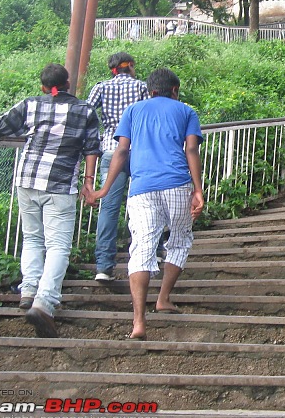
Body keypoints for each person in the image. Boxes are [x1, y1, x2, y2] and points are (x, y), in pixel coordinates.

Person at [87, 68, 204, 341]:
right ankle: (163, 299)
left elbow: (121, 150)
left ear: (150, 90)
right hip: (177, 184)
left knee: (141, 247)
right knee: (179, 240)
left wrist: (103, 188)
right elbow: (191, 150)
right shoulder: (186, 112)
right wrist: (198, 190)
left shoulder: (133, 112)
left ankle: (139, 322)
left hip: (141, 189)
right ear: (174, 90)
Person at [0, 63, 101, 338]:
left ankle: (28, 291)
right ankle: (44, 302)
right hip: (60, 184)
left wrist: (26, 132)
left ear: (43, 86)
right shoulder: (85, 110)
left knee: (32, 238)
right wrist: (88, 184)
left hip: (27, 179)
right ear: (68, 83)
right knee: (58, 246)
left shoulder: (30, 104)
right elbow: (91, 149)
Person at [86, 52, 149, 281]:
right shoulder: (142, 87)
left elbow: (85, 112)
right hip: (140, 150)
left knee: (109, 209)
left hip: (111, 150)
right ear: (130, 66)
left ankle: (103, 266)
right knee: (147, 203)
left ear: (112, 69)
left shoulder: (101, 87)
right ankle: (154, 253)